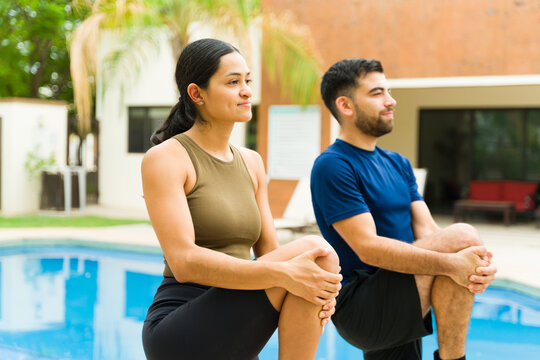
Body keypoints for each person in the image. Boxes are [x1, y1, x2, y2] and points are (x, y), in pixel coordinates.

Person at [140, 38, 342, 360]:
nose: (247, 90)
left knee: (314, 260)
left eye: (248, 80)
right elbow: (184, 262)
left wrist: (311, 290)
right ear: (197, 94)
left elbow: (272, 255)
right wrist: (286, 275)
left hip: (240, 312)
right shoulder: (166, 158)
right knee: (315, 251)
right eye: (233, 82)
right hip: (181, 325)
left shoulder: (251, 162)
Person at [310, 58, 498, 360]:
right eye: (377, 93)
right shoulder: (333, 165)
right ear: (345, 105)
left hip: (402, 285)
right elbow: (367, 248)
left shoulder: (398, 163)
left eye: (389, 91)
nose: (391, 100)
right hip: (361, 304)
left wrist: (476, 265)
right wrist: (455, 264)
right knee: (463, 235)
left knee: (463, 245)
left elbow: (429, 232)